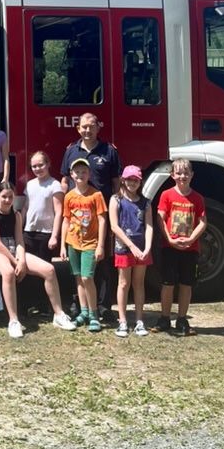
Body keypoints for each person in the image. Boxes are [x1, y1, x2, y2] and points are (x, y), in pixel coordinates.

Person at [0, 183, 76, 338]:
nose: (7, 200)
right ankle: (13, 321)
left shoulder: (17, 215)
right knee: (8, 273)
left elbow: (19, 241)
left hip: (14, 250)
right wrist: (15, 262)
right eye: (4, 197)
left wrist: (21, 260)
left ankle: (58, 314)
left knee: (49, 270)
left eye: (10, 197)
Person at [60, 112, 121, 318]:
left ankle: (103, 307)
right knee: (77, 269)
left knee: (102, 262)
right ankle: (80, 306)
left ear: (98, 128)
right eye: (83, 126)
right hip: (77, 218)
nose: (87, 130)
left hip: (100, 217)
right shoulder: (71, 151)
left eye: (91, 126)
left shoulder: (109, 151)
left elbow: (115, 184)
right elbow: (64, 181)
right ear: (78, 128)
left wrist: (116, 212)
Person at [155, 159, 206, 336]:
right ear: (172, 175)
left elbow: (202, 222)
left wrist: (192, 238)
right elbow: (160, 218)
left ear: (192, 175)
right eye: (178, 173)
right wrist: (169, 239)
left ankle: (182, 319)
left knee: (186, 284)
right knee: (167, 284)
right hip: (170, 247)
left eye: (186, 173)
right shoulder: (166, 195)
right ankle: (164, 318)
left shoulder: (197, 198)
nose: (182, 176)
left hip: (190, 250)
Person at [60, 157, 107, 333]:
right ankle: (84, 311)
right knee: (78, 277)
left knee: (88, 277)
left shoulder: (96, 195)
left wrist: (101, 245)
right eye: (77, 172)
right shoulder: (69, 196)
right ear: (71, 174)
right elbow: (66, 221)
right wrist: (63, 245)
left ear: (89, 174)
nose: (80, 174)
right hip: (73, 243)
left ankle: (95, 315)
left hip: (90, 243)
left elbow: (103, 221)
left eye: (84, 171)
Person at [109, 164, 153, 338]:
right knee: (123, 283)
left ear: (140, 182)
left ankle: (139, 320)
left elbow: (149, 226)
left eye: (135, 180)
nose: (131, 183)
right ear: (123, 180)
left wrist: (147, 247)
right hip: (124, 248)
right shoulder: (116, 200)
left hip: (142, 249)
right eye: (128, 179)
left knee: (139, 284)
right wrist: (132, 247)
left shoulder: (146, 203)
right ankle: (123, 321)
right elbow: (114, 226)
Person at [22, 150, 64, 262]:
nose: (37, 169)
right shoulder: (30, 184)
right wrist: (20, 228)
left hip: (45, 234)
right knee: (28, 265)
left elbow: (59, 212)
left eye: (41, 165)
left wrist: (54, 236)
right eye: (34, 166)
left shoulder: (55, 185)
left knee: (44, 267)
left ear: (48, 164)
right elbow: (25, 208)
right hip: (28, 232)